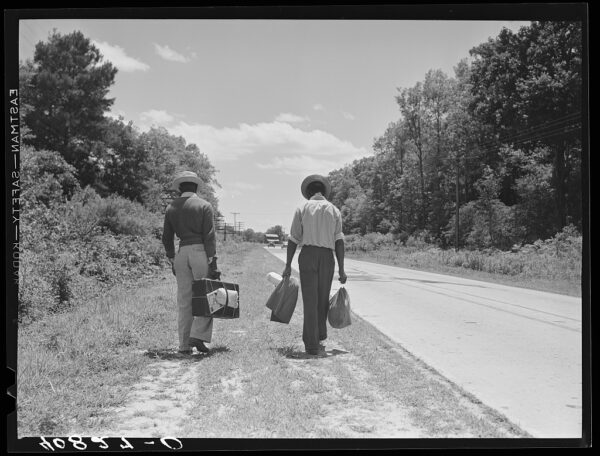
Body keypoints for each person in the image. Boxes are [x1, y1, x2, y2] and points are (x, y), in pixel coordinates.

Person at [282, 174, 347, 356]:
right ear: (323, 192)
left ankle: (311, 344)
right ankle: (318, 337)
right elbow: (339, 241)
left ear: (308, 193)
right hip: (327, 257)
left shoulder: (302, 208)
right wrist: (341, 269)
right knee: (322, 297)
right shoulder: (334, 210)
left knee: (310, 300)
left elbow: (293, 238)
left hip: (308, 255)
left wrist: (288, 265)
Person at [162, 171, 217, 355]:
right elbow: (209, 235)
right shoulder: (204, 205)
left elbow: (166, 237)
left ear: (180, 189)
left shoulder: (171, 208)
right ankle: (198, 335)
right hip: (199, 251)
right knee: (206, 295)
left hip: (181, 252)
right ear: (196, 188)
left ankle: (184, 345)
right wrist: (211, 258)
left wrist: (171, 257)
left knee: (184, 300)